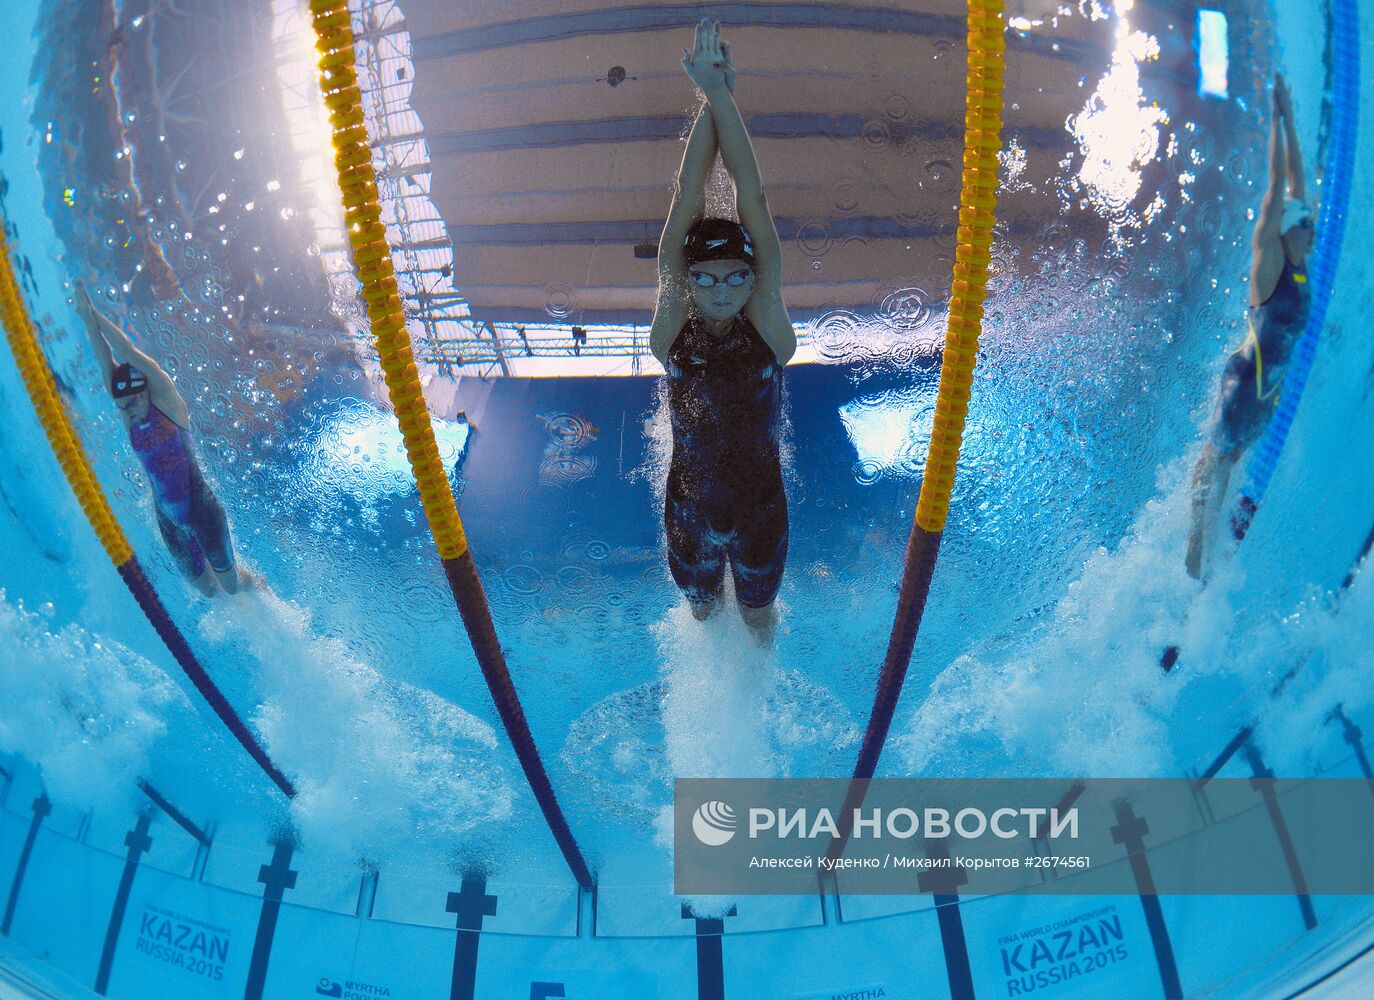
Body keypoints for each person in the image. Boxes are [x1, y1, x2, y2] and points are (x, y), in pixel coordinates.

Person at [650, 20, 797, 643]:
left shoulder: (769, 327)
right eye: (704, 280)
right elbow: (687, 194)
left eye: (734, 276)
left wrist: (721, 96)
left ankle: (758, 696)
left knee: (758, 616)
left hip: (761, 513)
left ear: (752, 275)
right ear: (686, 280)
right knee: (705, 613)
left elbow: (753, 199)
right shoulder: (671, 328)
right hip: (687, 512)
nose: (720, 291)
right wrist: (714, 95)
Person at [1186, 73, 1314, 580]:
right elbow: (1275, 193)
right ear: (1286, 231)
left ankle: (1205, 542)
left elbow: (1299, 186)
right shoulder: (1271, 268)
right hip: (1246, 381)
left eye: (1310, 226)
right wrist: (1276, 125)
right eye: (1304, 226)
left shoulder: (1301, 264)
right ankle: (1195, 551)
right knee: (1214, 463)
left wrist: (1292, 119)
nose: (1312, 232)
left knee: (1231, 458)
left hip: (1270, 391)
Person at [75, 282, 248, 597]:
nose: (128, 412)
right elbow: (106, 363)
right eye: (122, 407)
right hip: (170, 523)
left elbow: (126, 352)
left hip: (203, 511)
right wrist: (86, 321)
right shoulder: (128, 413)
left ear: (144, 391)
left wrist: (96, 315)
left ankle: (259, 591)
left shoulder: (168, 404)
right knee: (209, 592)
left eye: (132, 404)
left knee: (232, 587)